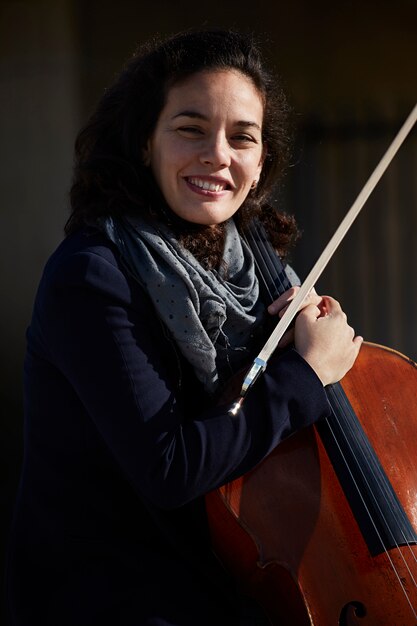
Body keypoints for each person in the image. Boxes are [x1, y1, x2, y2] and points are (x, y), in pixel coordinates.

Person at [6, 29, 362, 626]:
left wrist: (309, 345)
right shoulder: (93, 277)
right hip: (114, 598)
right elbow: (171, 467)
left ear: (261, 161)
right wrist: (305, 374)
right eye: (191, 129)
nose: (218, 154)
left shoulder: (259, 273)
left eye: (242, 138)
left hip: (219, 586)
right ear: (146, 142)